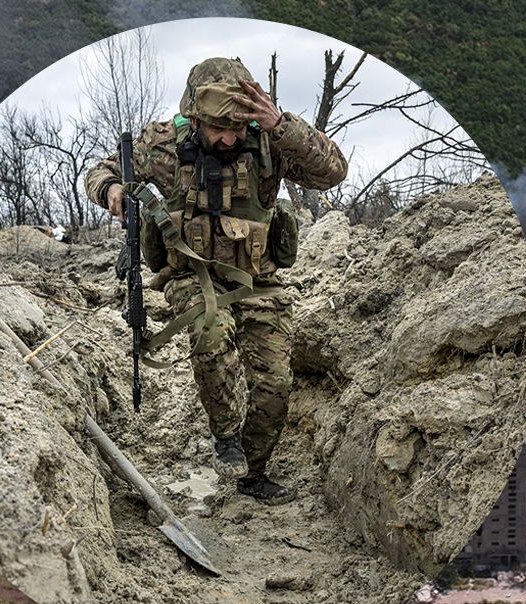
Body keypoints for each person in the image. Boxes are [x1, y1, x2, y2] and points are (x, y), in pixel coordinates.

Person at [85, 56, 347, 505]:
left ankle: (254, 469)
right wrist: (110, 189)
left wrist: (283, 125)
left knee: (276, 382)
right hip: (191, 274)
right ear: (196, 118)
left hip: (258, 281)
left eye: (237, 128)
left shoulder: (270, 140)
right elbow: (100, 172)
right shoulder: (164, 146)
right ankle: (225, 435)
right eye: (218, 129)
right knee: (212, 329)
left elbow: (333, 171)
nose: (229, 138)